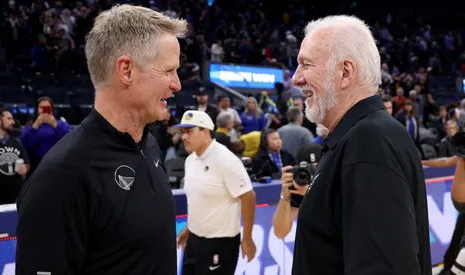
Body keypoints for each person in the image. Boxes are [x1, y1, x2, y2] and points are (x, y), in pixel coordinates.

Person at [16, 5, 187, 274]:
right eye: (168, 71)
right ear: (127, 71)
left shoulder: (150, 145)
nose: (177, 84)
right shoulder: (62, 176)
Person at [289, 15, 431, 275]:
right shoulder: (362, 136)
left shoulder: (369, 142)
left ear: (345, 72)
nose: (295, 79)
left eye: (305, 65)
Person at [175, 110, 257, 275]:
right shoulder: (190, 161)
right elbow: (198, 200)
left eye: (189, 132)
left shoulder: (226, 160)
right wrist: (190, 228)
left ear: (205, 132)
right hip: (194, 241)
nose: (184, 137)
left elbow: (248, 196)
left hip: (221, 244)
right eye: (182, 132)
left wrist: (247, 237)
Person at [272, 143, 321, 239]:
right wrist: (285, 196)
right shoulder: (299, 187)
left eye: (317, 168)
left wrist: (312, 195)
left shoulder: (338, 183)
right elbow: (280, 232)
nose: (313, 174)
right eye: (310, 169)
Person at [19, 96, 71, 177]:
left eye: (47, 107)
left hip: (57, 161)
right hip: (36, 163)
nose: (44, 110)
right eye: (41, 107)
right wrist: (36, 125)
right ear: (36, 109)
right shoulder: (30, 125)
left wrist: (55, 125)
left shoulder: (61, 124)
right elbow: (25, 143)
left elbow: (68, 139)